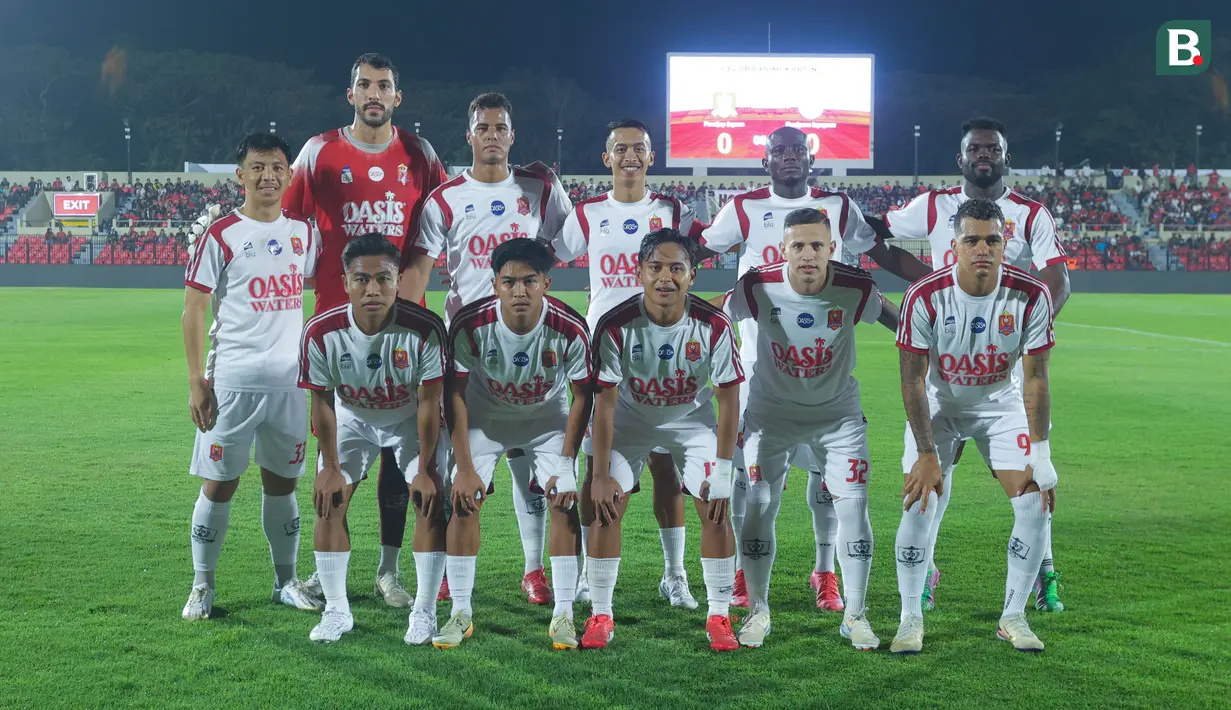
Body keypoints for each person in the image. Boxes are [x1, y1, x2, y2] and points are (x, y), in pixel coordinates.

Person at [700, 126, 928, 611]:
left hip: (825, 363)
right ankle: (745, 573)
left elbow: (880, 254)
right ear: (765, 161)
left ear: (810, 158)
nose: (788, 158)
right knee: (751, 482)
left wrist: (936, 286)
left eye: (796, 151)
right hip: (757, 368)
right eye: (778, 151)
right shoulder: (742, 208)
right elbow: (699, 250)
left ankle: (825, 571)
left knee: (826, 482)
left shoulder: (840, 207)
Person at [868, 117, 1070, 614]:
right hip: (943, 365)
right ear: (960, 158)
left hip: (998, 366)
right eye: (975, 148)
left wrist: (1019, 333)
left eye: (993, 148)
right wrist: (924, 290)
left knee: (1034, 486)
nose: (984, 154)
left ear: (1006, 156)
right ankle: (925, 573)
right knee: (932, 484)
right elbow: (883, 241)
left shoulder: (1030, 213)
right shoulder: (933, 206)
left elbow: (1056, 281)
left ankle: (1044, 572)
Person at [276, 52, 449, 609]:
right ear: (349, 94)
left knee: (407, 454)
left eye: (384, 86)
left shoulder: (420, 154)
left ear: (399, 97)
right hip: (337, 328)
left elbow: (432, 234)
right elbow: (290, 223)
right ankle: (322, 577)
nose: (374, 94)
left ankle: (388, 571)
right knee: (336, 455)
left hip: (402, 332)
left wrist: (413, 299)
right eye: (364, 85)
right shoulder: (318, 151)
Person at [403, 92, 573, 604]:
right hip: (467, 348)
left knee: (530, 466)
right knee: (462, 465)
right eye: (484, 127)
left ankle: (532, 569)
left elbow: (570, 242)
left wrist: (558, 187)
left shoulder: (539, 187)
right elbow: (422, 269)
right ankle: (455, 574)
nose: (493, 135)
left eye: (501, 127)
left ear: (512, 135)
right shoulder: (444, 199)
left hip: (530, 341)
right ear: (470, 135)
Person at [723, 208, 898, 650]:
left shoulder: (855, 286)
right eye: (798, 245)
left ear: (832, 249)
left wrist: (938, 338)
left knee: (854, 508)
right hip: (770, 414)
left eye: (817, 245)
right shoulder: (756, 284)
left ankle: (856, 615)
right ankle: (758, 610)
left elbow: (897, 319)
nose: (807, 254)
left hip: (837, 417)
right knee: (759, 505)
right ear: (783, 248)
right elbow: (714, 322)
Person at [891, 198, 1057, 654]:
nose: (982, 248)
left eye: (993, 239)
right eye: (972, 239)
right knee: (918, 502)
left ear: (1006, 244)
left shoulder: (1031, 295)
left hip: (1001, 404)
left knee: (1036, 502)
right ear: (954, 245)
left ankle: (1013, 616)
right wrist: (927, 454)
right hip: (940, 406)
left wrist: (1041, 455)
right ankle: (910, 619)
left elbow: (1037, 379)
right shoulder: (923, 296)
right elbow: (913, 382)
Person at [551, 119, 705, 609]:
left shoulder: (672, 209)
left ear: (651, 157)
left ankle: (674, 574)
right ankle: (583, 574)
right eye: (621, 149)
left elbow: (694, 258)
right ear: (607, 158)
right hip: (604, 352)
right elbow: (548, 256)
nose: (630, 156)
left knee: (667, 469)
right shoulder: (589, 211)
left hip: (661, 350)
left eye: (639, 148)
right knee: (596, 465)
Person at [180, 133, 321, 620]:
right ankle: (202, 585)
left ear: (288, 174)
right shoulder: (221, 234)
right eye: (257, 167)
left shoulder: (305, 233)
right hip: (232, 383)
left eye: (277, 167)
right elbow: (193, 310)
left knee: (283, 485)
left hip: (288, 384)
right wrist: (198, 380)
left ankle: (286, 581)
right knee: (219, 485)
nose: (268, 176)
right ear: (240, 175)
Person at [428, 240, 591, 649]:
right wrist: (464, 467)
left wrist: (568, 461)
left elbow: (583, 396)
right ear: (495, 284)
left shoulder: (570, 327)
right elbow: (455, 394)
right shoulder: (470, 323)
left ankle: (565, 615)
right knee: (464, 499)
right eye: (510, 282)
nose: (520, 291)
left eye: (529, 282)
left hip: (545, 420)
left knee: (564, 498)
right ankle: (460, 613)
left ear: (546, 283)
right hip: (487, 419)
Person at [585, 228, 743, 652]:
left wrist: (726, 471)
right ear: (639, 272)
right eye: (656, 267)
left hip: (690, 420)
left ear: (693, 275)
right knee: (606, 500)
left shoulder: (714, 325)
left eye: (677, 268)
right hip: (630, 420)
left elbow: (729, 402)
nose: (665, 277)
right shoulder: (615, 325)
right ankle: (601, 613)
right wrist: (600, 474)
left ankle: (719, 616)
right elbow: (604, 403)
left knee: (715, 501)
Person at [297, 233, 447, 643]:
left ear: (399, 280)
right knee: (329, 501)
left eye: (384, 278)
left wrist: (428, 468)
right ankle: (336, 610)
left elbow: (430, 403)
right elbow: (323, 403)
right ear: (345, 282)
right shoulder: (321, 332)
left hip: (409, 421)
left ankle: (425, 611)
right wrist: (329, 467)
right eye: (361, 279)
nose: (373, 289)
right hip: (352, 419)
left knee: (428, 499)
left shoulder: (425, 328)